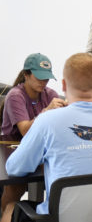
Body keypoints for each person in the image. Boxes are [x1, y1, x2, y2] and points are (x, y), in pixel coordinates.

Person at [4, 53, 92, 222]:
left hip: (62, 217)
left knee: (10, 208)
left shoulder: (47, 121)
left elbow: (14, 168)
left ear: (64, 85)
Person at [0, 53, 67, 222]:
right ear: (26, 75)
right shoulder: (15, 95)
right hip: (12, 148)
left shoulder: (50, 93)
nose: (43, 83)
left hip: (40, 148)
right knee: (16, 186)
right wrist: (47, 111)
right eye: (39, 78)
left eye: (46, 79)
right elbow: (24, 131)